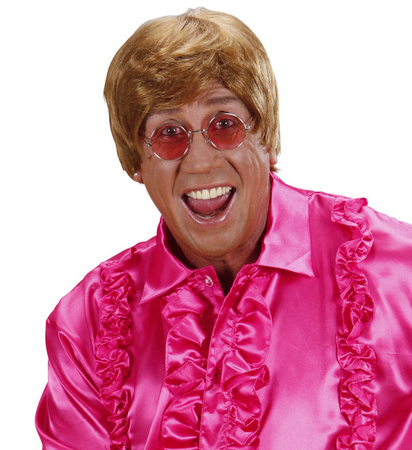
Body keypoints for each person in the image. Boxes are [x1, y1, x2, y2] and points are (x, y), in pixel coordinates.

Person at [35, 7, 412, 450]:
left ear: (266, 137)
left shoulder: (397, 277)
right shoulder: (88, 326)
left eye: (224, 125)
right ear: (136, 162)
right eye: (169, 134)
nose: (200, 162)